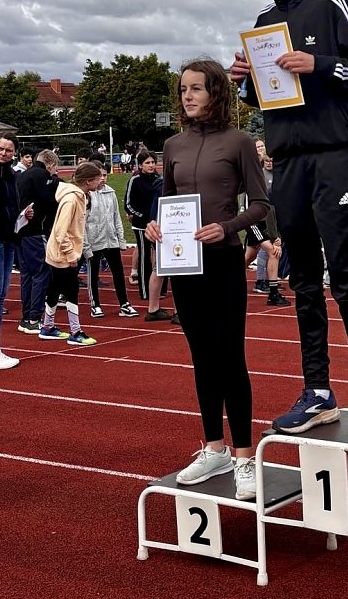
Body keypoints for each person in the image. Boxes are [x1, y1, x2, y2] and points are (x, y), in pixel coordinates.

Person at [230, 0, 348, 437]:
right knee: (301, 279)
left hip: (333, 153)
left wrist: (318, 64)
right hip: (287, 160)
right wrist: (244, 82)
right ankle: (318, 391)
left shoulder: (329, 4)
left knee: (344, 273)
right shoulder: (261, 22)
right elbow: (264, 96)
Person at [145, 59, 270, 495]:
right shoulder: (172, 145)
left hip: (222, 261)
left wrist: (228, 227)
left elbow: (260, 206)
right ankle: (214, 448)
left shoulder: (238, 143)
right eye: (183, 90)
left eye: (197, 88)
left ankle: (244, 456)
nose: (188, 96)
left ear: (216, 92)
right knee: (201, 357)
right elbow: (164, 201)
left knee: (230, 357)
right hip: (184, 266)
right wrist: (153, 226)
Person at [39, 162, 103, 346]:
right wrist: (70, 254)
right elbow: (61, 231)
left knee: (55, 287)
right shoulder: (72, 199)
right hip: (63, 254)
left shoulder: (79, 196)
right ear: (89, 180)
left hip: (61, 252)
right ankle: (75, 331)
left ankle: (47, 327)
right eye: (99, 178)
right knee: (71, 290)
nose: (101, 181)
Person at [0, 134, 34, 368]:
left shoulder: (10, 175)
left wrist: (22, 216)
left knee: (1, 295)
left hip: (7, 240)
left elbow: (9, 206)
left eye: (8, 150)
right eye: (0, 148)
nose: (3, 153)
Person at [84, 162, 138, 318]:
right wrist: (86, 245)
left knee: (118, 272)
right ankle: (95, 305)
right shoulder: (86, 195)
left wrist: (120, 239)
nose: (102, 179)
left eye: (105, 175)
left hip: (110, 239)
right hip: (93, 241)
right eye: (99, 176)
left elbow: (116, 217)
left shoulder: (111, 193)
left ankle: (124, 304)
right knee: (93, 274)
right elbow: (84, 221)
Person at [16, 149, 60, 334]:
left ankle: (27, 317)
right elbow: (49, 200)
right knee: (41, 272)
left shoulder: (22, 175)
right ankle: (34, 317)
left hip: (19, 231)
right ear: (50, 164)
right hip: (34, 231)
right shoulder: (41, 176)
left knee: (26, 274)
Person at [125, 150, 169, 321]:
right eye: (148, 163)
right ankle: (145, 291)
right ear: (140, 165)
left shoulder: (160, 181)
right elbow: (128, 204)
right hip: (142, 226)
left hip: (159, 226)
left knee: (161, 260)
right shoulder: (134, 181)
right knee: (144, 257)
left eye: (153, 162)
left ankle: (162, 291)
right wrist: (142, 217)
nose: (151, 165)